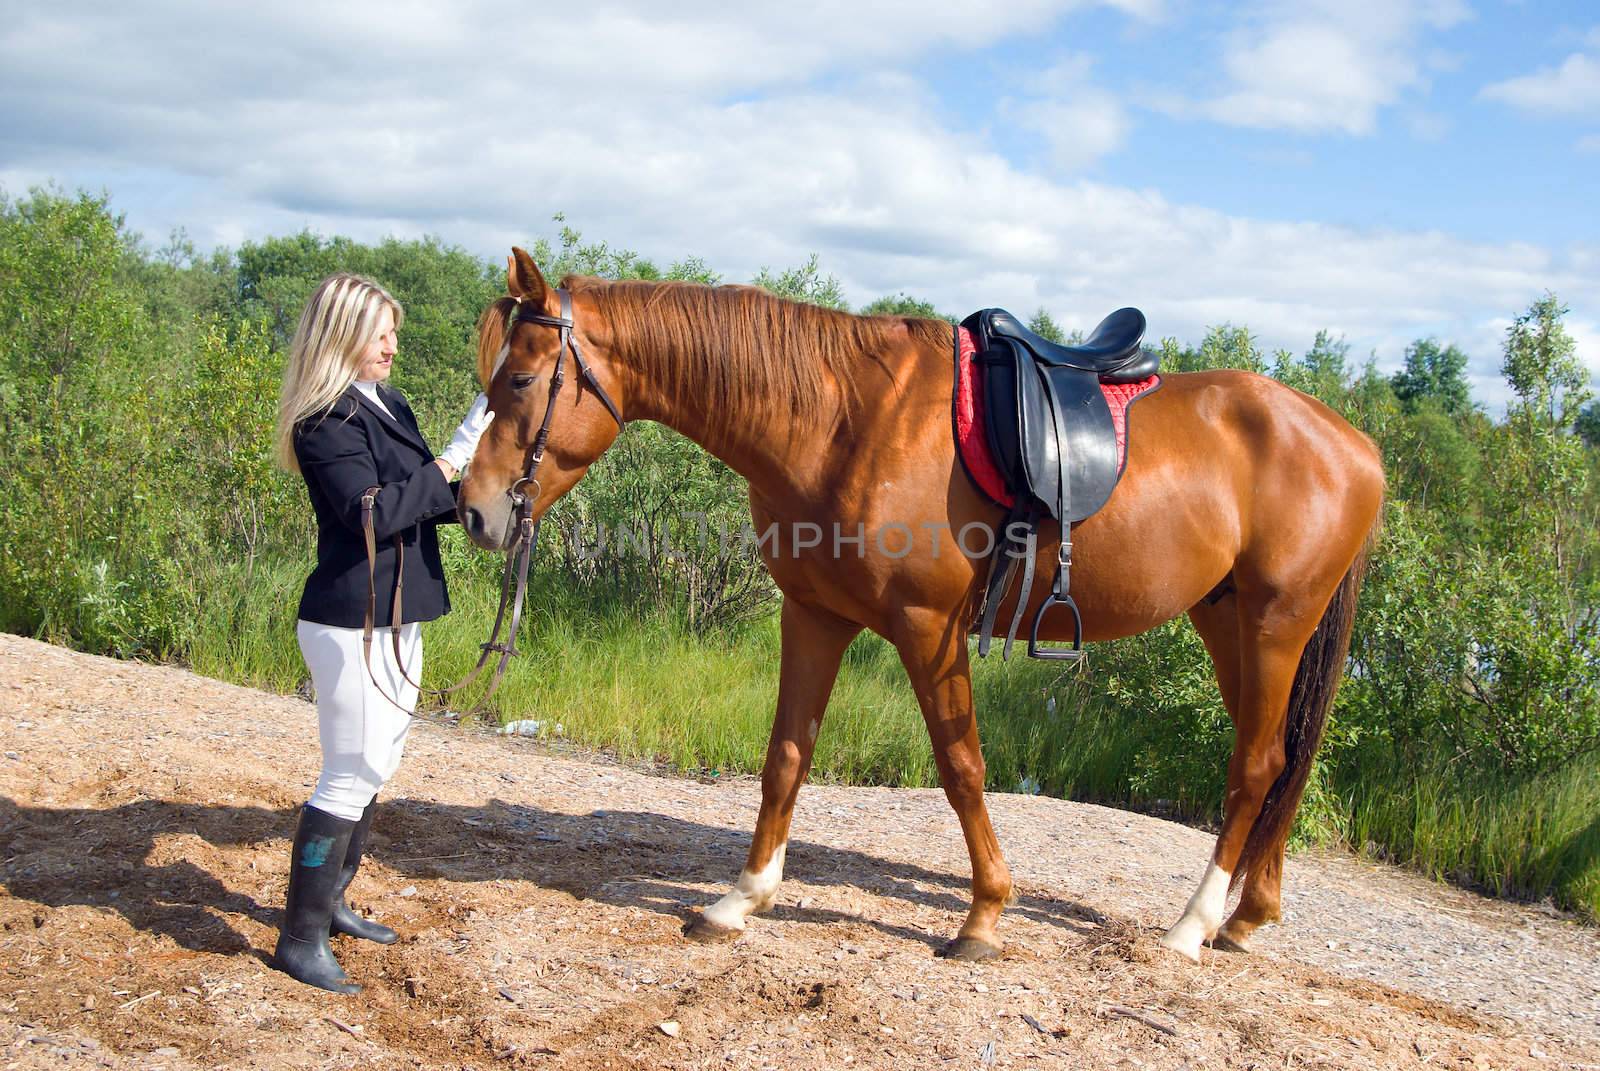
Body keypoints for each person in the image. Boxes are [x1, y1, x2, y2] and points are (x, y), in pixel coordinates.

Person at [271, 272, 493, 994]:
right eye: (381, 333)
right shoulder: (322, 420)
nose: (394, 345)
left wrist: (485, 493)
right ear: (342, 336)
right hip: (349, 617)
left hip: (401, 610)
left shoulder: (386, 402)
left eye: (394, 331)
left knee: (377, 765)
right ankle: (299, 938)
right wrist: (454, 454)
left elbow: (419, 500)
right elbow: (369, 513)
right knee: (347, 769)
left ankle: (332, 901)